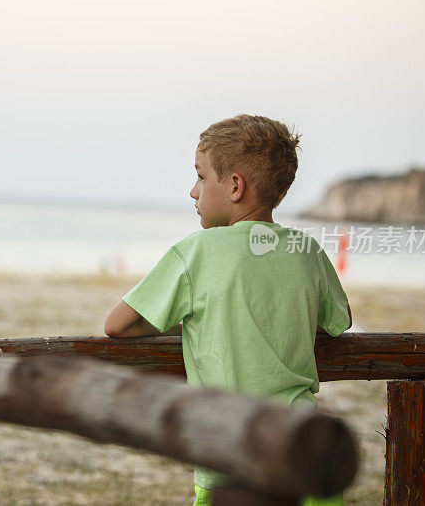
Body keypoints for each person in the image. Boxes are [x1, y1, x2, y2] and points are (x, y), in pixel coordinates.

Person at [103, 115, 352, 506]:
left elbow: (117, 325)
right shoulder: (308, 251)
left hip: (230, 456)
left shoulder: (198, 252)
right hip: (306, 446)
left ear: (235, 186)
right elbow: (339, 322)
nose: (192, 191)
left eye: (201, 177)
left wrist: (191, 319)